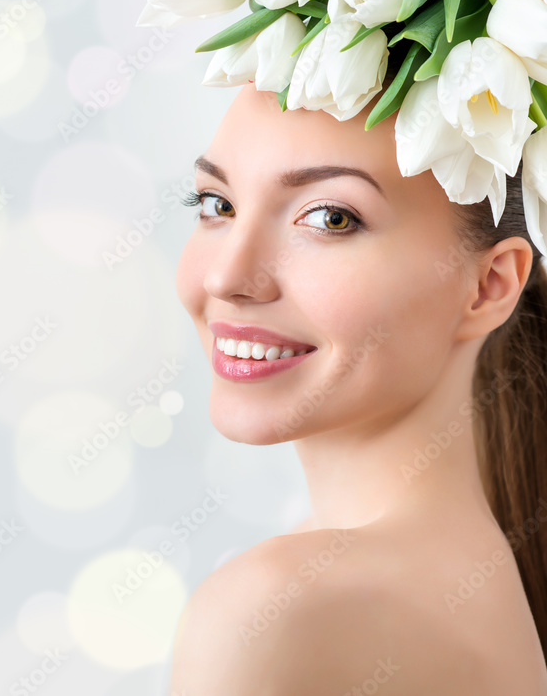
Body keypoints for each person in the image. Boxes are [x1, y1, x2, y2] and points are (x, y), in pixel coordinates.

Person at [169, 80, 547, 694]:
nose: (228, 276)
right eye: (217, 205)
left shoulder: (276, 612)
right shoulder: (481, 585)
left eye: (329, 218)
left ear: (489, 285)